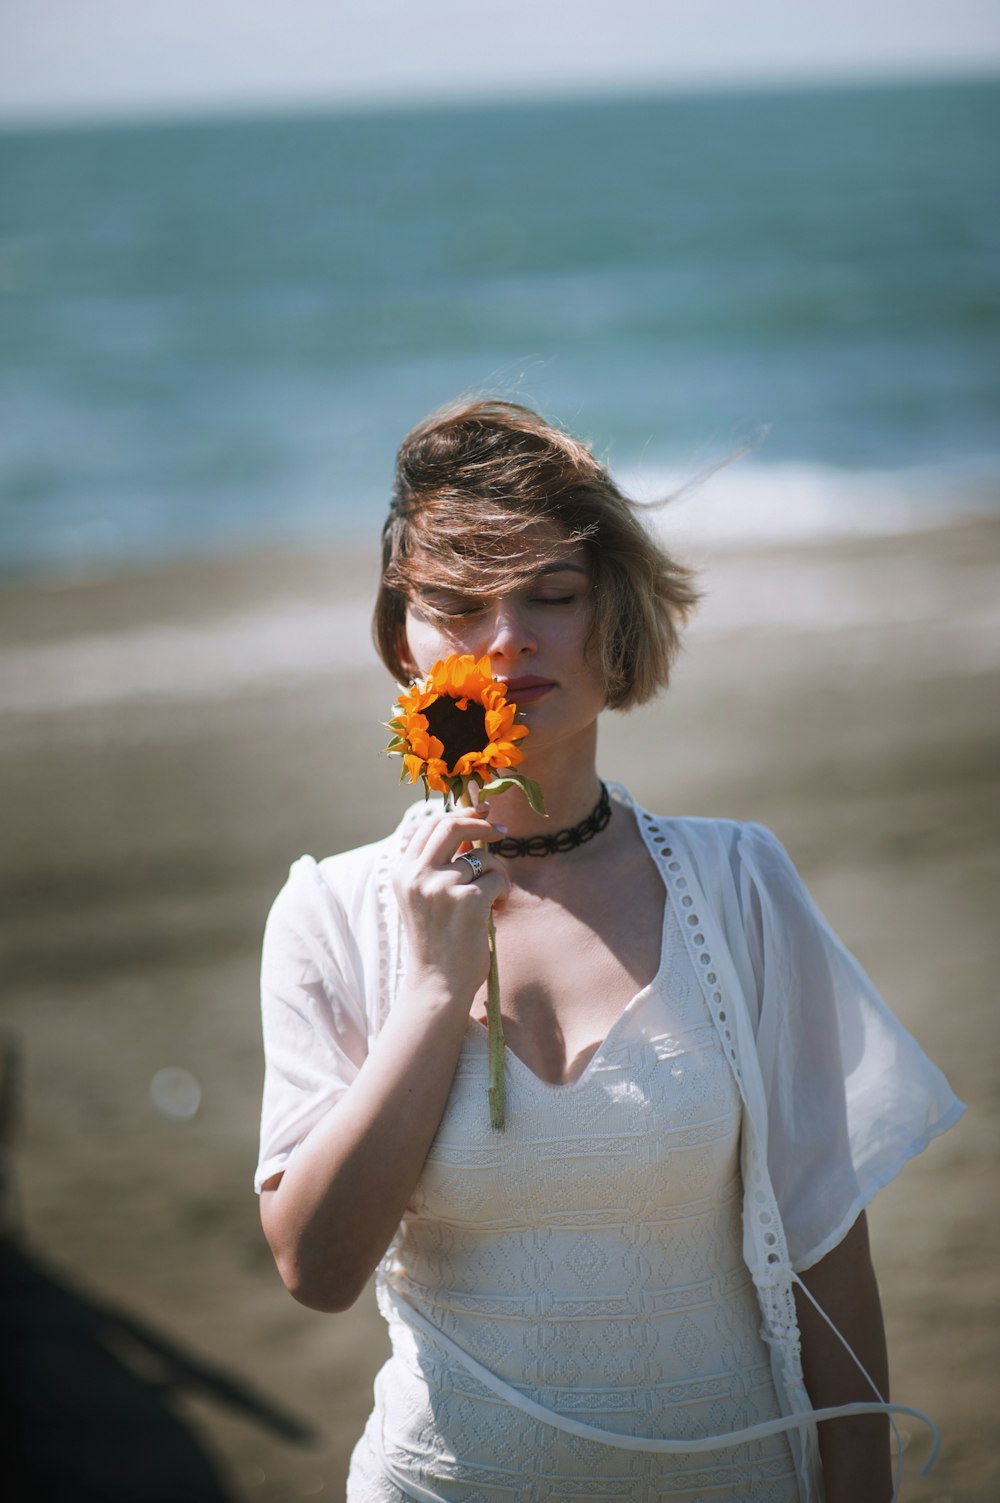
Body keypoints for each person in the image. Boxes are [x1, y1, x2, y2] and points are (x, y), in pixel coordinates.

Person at [255, 400, 964, 1503]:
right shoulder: (329, 911)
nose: (508, 639)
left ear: (613, 621)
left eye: (553, 596)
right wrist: (436, 989)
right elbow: (317, 1269)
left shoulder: (736, 885)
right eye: (459, 604)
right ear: (405, 640)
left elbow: (826, 1248)